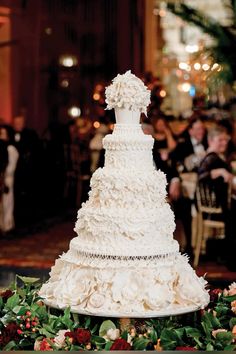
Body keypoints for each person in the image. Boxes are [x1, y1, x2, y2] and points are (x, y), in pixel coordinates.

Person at [198, 125, 236, 270]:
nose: (224, 143)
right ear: (210, 140)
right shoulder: (211, 158)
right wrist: (219, 172)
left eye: (225, 140)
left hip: (222, 208)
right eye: (220, 140)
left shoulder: (216, 158)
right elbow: (201, 176)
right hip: (216, 210)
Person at [0, 125, 19, 234]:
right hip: (2, 178)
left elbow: (11, 167)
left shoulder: (11, 148)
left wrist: (4, 177)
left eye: (3, 134)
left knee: (7, 202)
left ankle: (7, 225)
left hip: (8, 178)